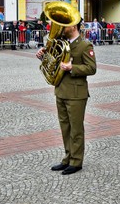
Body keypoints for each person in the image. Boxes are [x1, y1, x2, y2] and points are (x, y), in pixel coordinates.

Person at [36, 13, 97, 175]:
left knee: (76, 128)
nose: (61, 28)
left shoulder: (85, 45)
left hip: (77, 93)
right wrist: (44, 57)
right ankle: (68, 157)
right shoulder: (60, 43)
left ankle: (76, 161)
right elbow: (53, 63)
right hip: (61, 90)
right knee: (65, 127)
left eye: (65, 25)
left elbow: (92, 68)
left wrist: (72, 68)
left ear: (73, 26)